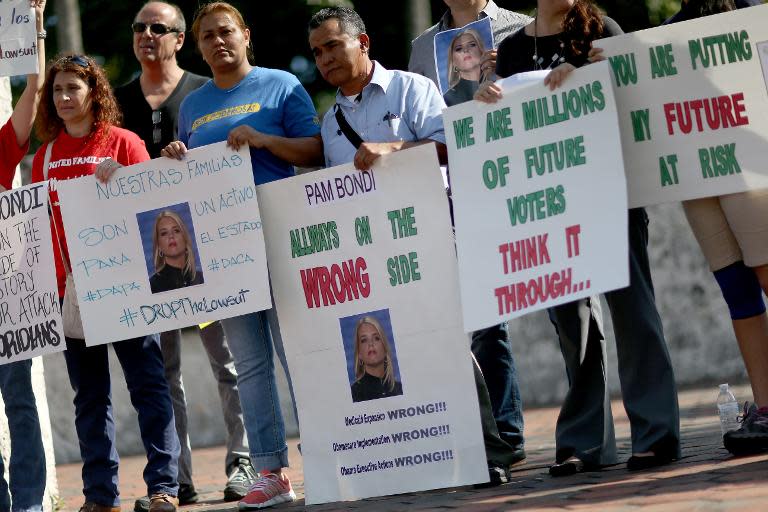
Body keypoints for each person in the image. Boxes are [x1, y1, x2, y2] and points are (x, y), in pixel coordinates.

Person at [309, 5, 515, 489]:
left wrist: (394, 149)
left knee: (449, 342)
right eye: (316, 52)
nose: (324, 59)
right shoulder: (328, 122)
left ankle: (489, 449)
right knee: (406, 352)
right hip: (375, 253)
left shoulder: (412, 88)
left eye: (332, 46)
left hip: (433, 235)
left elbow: (452, 145)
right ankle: (419, 456)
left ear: (363, 43)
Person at [475, 0, 681, 475]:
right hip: (548, 209)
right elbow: (509, 130)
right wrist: (488, 101)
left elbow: (631, 95)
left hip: (610, 194)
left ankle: (657, 433)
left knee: (633, 313)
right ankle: (584, 443)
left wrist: (587, 78)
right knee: (574, 327)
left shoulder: (600, 27)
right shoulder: (511, 51)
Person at [156, 2, 323, 509]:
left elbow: (315, 148)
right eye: (206, 36)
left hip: (280, 234)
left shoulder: (281, 85)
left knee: (299, 355)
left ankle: (329, 454)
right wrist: (176, 158)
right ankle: (272, 472)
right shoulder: (192, 105)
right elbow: (189, 180)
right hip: (222, 251)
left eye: (225, 32)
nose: (217, 42)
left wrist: (263, 140)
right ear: (197, 45)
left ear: (246, 35)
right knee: (250, 365)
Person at [113, 3, 257, 505]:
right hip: (150, 262)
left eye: (158, 28)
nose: (146, 35)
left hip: (206, 257)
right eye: (138, 28)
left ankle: (243, 463)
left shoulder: (202, 91)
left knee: (229, 361)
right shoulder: (117, 98)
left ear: (179, 39)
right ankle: (179, 478)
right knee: (162, 370)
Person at [32, 53, 180, 512]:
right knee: (90, 399)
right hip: (72, 292)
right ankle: (100, 495)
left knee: (148, 387)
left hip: (127, 286)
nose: (63, 98)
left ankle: (164, 489)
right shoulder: (45, 157)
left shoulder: (124, 142)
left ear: (94, 92)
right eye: (56, 90)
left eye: (73, 88)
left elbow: (158, 207)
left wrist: (128, 180)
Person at [409, 0, 530, 475]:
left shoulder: (519, 27)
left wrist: (509, 82)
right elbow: (426, 116)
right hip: (460, 187)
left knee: (569, 308)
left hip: (522, 176)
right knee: (485, 314)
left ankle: (584, 432)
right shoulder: (423, 48)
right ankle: (504, 432)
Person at [665, 0, 768, 455]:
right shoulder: (662, 37)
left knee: (766, 275)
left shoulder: (754, 13)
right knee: (736, 289)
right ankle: (765, 410)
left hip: (752, 170)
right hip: (696, 178)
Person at [0, 3, 48, 511]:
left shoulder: (0, 147)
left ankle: (29, 503)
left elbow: (32, 92)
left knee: (19, 403)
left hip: (9, 296)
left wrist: (34, 31)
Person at [351, 316, 403, 402]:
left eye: (376, 338)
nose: (371, 344)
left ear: (385, 347)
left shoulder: (400, 388)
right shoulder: (354, 394)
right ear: (359, 353)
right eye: (364, 340)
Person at [149, 210, 203, 293]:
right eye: (164, 233)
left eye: (176, 231)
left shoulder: (201, 278)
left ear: (185, 239)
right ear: (159, 246)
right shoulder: (152, 286)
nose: (171, 236)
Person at [443, 29, 486, 106]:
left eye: (472, 45)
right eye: (459, 49)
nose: (466, 50)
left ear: (481, 50)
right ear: (453, 62)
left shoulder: (500, 82)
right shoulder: (447, 99)